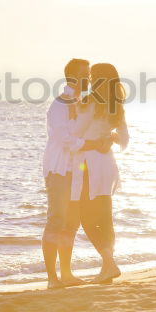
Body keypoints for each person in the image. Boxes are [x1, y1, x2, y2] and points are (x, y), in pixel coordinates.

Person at [41, 58, 111, 289]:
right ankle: (52, 279)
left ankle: (67, 274)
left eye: (89, 75)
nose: (89, 79)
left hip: (78, 171)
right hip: (59, 169)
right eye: (84, 75)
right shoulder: (60, 105)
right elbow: (66, 140)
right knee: (56, 220)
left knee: (71, 222)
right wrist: (93, 144)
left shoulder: (82, 102)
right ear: (71, 77)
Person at [71, 62, 129, 283]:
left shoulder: (90, 101)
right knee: (105, 217)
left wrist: (94, 141)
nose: (90, 79)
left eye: (93, 75)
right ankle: (108, 267)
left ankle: (109, 263)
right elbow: (124, 140)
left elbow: (76, 133)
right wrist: (109, 138)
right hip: (107, 165)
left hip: (90, 165)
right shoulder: (116, 105)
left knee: (86, 217)